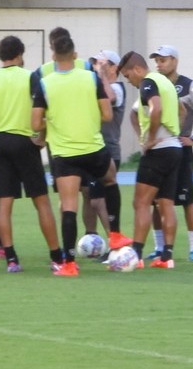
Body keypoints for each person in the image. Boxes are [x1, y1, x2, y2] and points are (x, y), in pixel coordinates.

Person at [31, 35, 131, 276]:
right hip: (93, 148)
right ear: (76, 55)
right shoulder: (91, 78)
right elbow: (107, 115)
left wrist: (54, 120)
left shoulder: (45, 83)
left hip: (64, 153)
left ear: (53, 56)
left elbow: (34, 122)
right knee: (110, 179)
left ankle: (68, 264)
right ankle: (115, 234)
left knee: (68, 206)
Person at [0, 35, 63, 273]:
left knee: (4, 203)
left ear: (0, 56)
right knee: (41, 202)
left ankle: (11, 258)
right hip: (25, 142)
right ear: (20, 54)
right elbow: (47, 109)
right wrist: (42, 138)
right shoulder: (31, 77)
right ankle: (56, 257)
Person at [144, 45, 193, 262]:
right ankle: (160, 247)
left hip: (181, 150)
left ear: (175, 61)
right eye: (157, 61)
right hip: (159, 150)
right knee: (157, 201)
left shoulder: (189, 86)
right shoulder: (153, 85)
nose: (159, 64)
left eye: (164, 60)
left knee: (187, 200)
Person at [117, 50, 183, 269]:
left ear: (137, 69)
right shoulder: (166, 83)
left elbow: (156, 109)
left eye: (128, 76)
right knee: (166, 204)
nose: (130, 81)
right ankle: (167, 257)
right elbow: (182, 110)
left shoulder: (148, 82)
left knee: (141, 202)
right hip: (174, 148)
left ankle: (135, 254)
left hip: (159, 150)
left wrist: (151, 139)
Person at [84, 50, 127, 261]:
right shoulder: (97, 87)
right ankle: (94, 238)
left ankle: (115, 242)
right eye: (94, 63)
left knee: (99, 200)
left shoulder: (117, 88)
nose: (96, 67)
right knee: (90, 198)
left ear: (113, 67)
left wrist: (99, 76)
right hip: (93, 148)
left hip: (108, 149)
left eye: (101, 64)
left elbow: (108, 98)